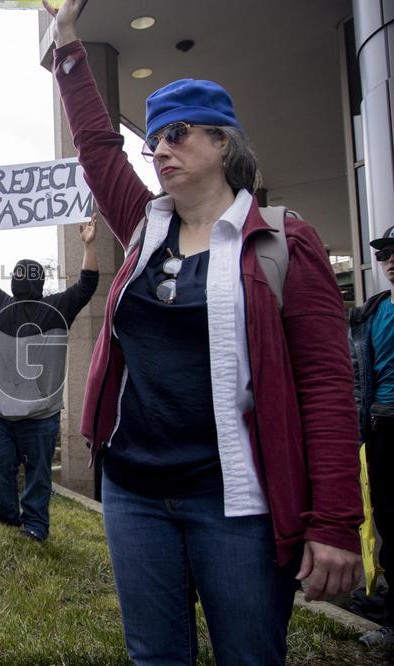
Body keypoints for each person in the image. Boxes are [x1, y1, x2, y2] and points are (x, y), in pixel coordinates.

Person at [43, 1, 362, 662]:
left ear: (223, 142)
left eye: (179, 133)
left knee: (249, 654)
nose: (160, 149)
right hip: (133, 491)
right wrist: (67, 44)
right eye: (154, 139)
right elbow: (99, 150)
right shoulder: (143, 225)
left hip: (234, 504)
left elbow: (328, 389)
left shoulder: (283, 242)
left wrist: (334, 522)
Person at [0, 209, 98, 541]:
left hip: (39, 415)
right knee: (0, 466)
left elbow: (87, 285)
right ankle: (10, 516)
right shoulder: (0, 304)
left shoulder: (55, 308)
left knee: (38, 474)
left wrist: (89, 245)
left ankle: (36, 525)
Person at [349, 225, 394, 648]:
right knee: (389, 524)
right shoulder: (370, 313)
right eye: (384, 254)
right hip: (382, 426)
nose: (390, 260)